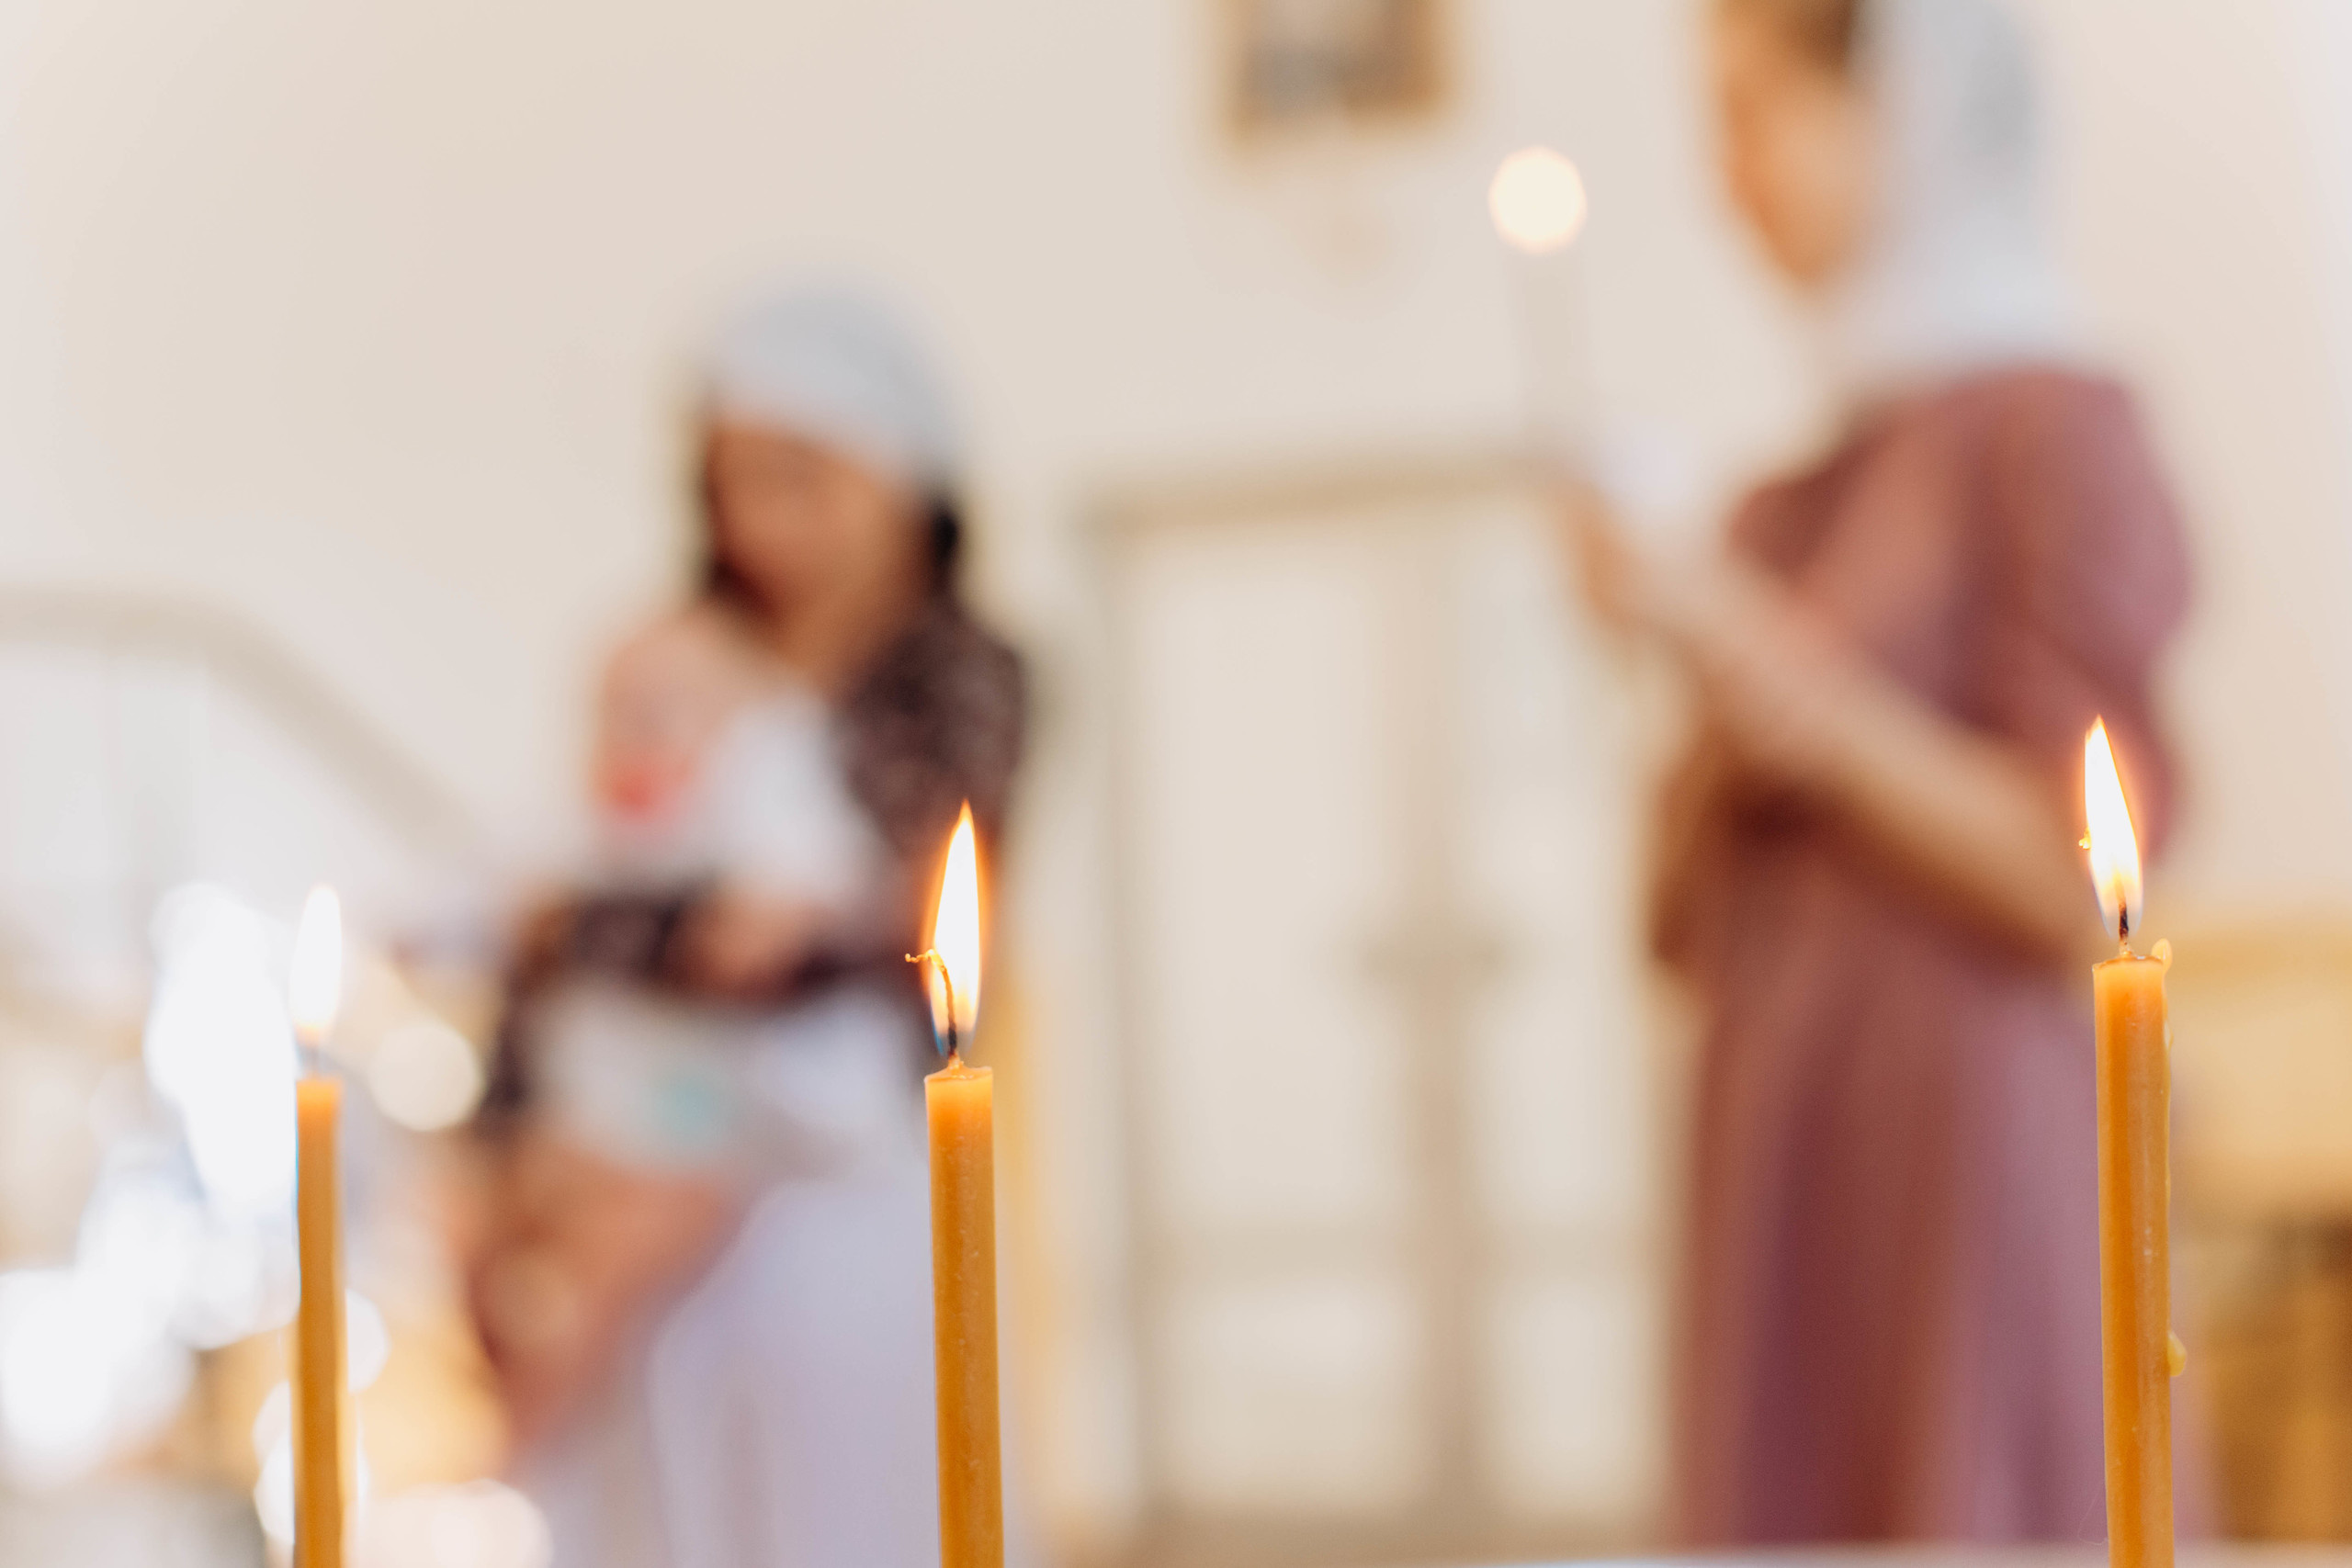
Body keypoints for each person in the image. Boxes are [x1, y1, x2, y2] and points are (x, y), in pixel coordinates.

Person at [1564, 0, 2200, 1540]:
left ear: (1895, 103)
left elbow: (2076, 881)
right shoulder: (1789, 492)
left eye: (1750, 114)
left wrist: (1761, 660)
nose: (1723, 177)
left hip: (1968, 1161)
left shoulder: (2053, 434)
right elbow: (1670, 919)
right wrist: (1665, 645)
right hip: (1782, 1155)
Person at [464, 289, 1025, 1568]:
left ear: (896, 482)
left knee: (852, 1506)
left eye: (798, 480)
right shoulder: (681, 656)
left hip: (841, 1175)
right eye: (737, 484)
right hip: (659, 1146)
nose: (763, 521)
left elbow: (860, 930)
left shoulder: (956, 675)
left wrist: (615, 929)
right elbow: (562, 900)